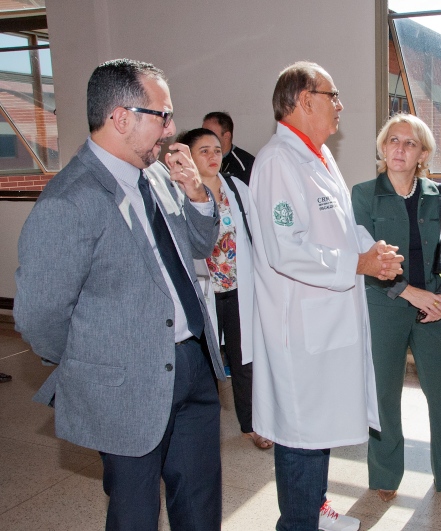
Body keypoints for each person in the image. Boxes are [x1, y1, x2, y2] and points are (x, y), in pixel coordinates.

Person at [14, 59, 225, 530]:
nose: (170, 129)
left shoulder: (155, 176)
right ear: (121, 117)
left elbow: (198, 244)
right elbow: (38, 314)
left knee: (200, 505)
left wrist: (196, 193)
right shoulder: (70, 200)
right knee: (135, 513)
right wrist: (93, 363)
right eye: (162, 116)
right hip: (127, 383)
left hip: (192, 364)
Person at [249, 61, 403, 531]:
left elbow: (340, 227)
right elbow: (285, 249)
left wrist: (371, 250)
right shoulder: (277, 162)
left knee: (318, 431)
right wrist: (357, 263)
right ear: (304, 100)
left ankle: (314, 513)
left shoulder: (318, 156)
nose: (340, 105)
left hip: (327, 322)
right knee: (301, 436)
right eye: (332, 95)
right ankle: (298, 523)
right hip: (300, 329)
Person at [352, 113, 441, 502]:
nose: (399, 148)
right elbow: (363, 257)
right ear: (383, 147)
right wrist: (411, 292)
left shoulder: (438, 195)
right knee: (384, 394)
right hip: (384, 305)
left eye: (409, 143)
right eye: (393, 140)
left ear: (422, 154)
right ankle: (385, 475)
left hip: (431, 308)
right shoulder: (363, 194)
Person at [177, 127, 272, 451]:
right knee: (203, 363)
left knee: (244, 359)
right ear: (189, 157)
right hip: (202, 293)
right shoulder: (179, 194)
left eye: (217, 150)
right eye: (203, 151)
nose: (213, 156)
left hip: (238, 288)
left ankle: (251, 425)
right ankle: (201, 432)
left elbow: (257, 235)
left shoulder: (236, 188)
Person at [203, 111, 256, 185]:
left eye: (210, 134)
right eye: (202, 133)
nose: (203, 138)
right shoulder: (200, 160)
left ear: (226, 136)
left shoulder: (246, 165)